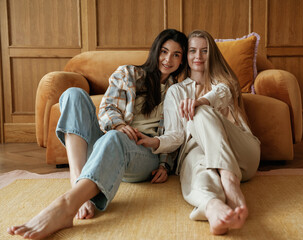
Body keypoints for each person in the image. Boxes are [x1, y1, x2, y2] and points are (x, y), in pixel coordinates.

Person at [7, 29, 188, 239]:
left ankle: (65, 205)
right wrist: (119, 125)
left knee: (115, 138)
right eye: (164, 51)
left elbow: (176, 132)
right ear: (155, 50)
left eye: (176, 54)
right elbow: (107, 108)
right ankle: (78, 187)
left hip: (142, 156)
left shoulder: (178, 91)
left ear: (182, 60)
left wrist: (165, 164)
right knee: (72, 94)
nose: (168, 59)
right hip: (109, 143)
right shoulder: (129, 74)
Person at [137, 30, 261, 235]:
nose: (198, 56)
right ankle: (213, 208)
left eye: (205, 51)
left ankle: (229, 181)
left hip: (243, 154)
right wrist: (155, 143)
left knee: (200, 111)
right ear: (186, 56)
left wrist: (200, 102)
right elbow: (176, 135)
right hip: (200, 153)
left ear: (212, 54)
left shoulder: (225, 82)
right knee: (199, 171)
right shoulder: (176, 91)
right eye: (193, 51)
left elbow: (222, 94)